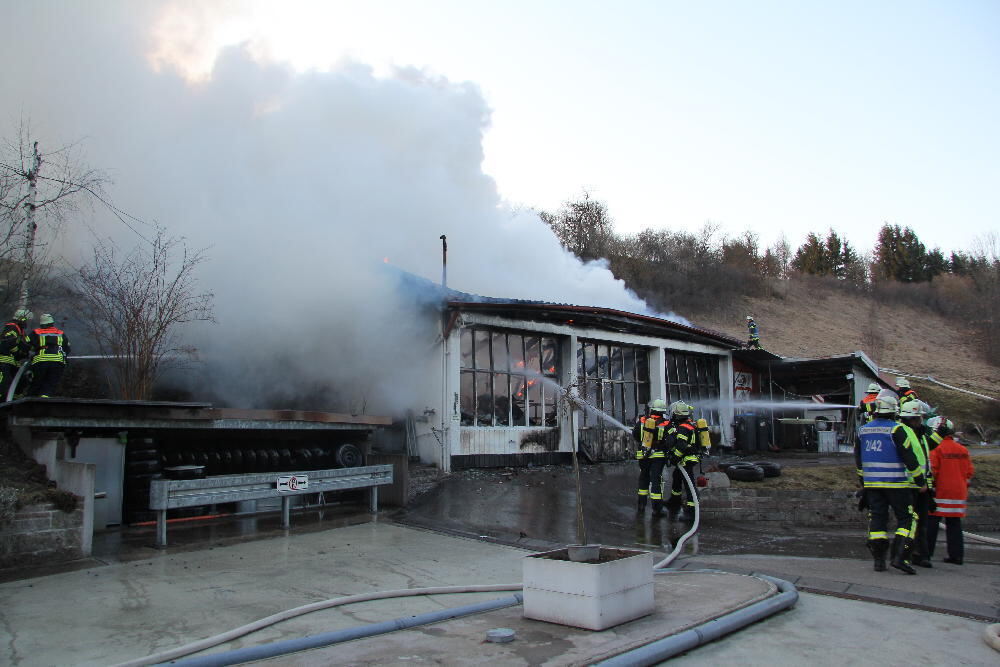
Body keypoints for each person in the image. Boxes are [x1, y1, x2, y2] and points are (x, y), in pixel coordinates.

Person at [855, 395, 927, 574]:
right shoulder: (897, 430)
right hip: (897, 484)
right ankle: (900, 557)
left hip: (873, 485)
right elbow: (909, 457)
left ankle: (879, 561)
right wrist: (920, 481)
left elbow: (858, 459)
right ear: (895, 411)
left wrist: (863, 483)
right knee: (908, 519)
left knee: (877, 519)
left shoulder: (863, 431)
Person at [927, 418, 974, 565]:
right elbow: (969, 472)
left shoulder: (936, 448)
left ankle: (926, 554)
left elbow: (932, 470)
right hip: (958, 493)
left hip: (940, 492)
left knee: (931, 523)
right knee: (954, 524)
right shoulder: (962, 449)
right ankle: (956, 556)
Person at [898, 401, 934, 568]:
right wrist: (920, 482)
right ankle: (906, 554)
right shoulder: (902, 432)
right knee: (911, 524)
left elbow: (925, 461)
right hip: (910, 485)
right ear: (913, 418)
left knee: (922, 524)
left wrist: (928, 486)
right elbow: (909, 460)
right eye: (920, 418)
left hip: (922, 486)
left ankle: (922, 555)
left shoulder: (920, 435)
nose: (922, 421)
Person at [632, 399, 670, 515]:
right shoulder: (666, 423)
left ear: (652, 409)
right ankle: (657, 509)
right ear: (662, 411)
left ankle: (641, 505)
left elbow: (636, 435)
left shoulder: (643, 420)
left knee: (644, 477)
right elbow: (671, 441)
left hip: (643, 456)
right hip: (658, 456)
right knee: (655, 480)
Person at [665, 401, 701, 522]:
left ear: (676, 415)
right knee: (676, 475)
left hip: (687, 459)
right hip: (689, 458)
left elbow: (681, 446)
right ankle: (675, 501)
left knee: (689, 485)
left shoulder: (683, 428)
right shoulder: (690, 424)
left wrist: (674, 458)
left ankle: (691, 513)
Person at [27, 314, 71, 398]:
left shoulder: (36, 332)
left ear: (41, 324)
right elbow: (68, 349)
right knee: (50, 384)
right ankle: (44, 398)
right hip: (57, 362)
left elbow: (25, 344)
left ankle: (30, 402)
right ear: (52, 323)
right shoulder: (60, 333)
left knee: (37, 383)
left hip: (40, 361)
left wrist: (32, 351)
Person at [0, 308, 32, 401]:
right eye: (26, 320)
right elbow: (7, 343)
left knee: (21, 383)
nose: (26, 322)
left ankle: (15, 403)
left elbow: (25, 344)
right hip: (4, 361)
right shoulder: (12, 328)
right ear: (22, 319)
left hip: (13, 363)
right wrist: (18, 352)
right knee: (4, 384)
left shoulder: (20, 331)